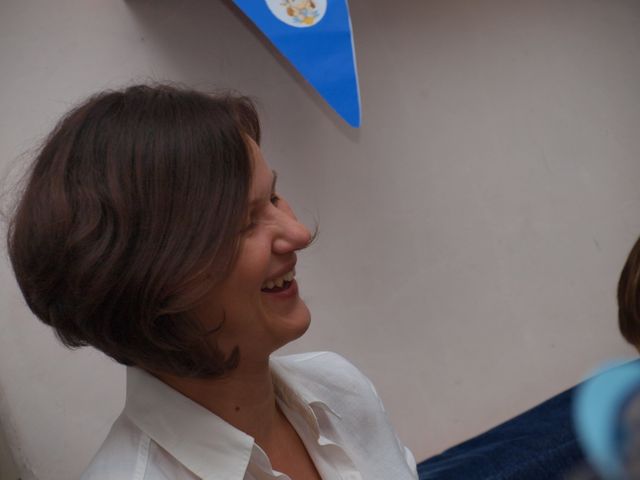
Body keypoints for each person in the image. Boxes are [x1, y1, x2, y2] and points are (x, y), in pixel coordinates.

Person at [6, 84, 419, 479]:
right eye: (245, 223)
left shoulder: (339, 389)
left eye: (274, 198)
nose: (297, 233)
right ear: (152, 280)